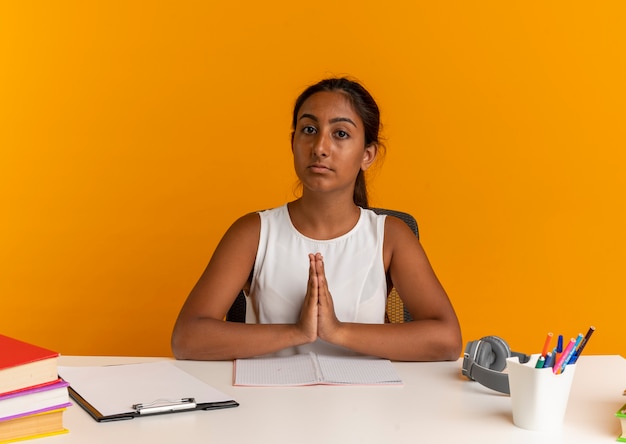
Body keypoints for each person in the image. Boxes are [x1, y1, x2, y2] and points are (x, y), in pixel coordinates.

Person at [171, 77, 462, 361]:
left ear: (367, 155)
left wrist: (337, 332)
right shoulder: (254, 232)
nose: (320, 147)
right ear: (293, 142)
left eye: (341, 134)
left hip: (365, 404)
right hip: (269, 404)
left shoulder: (391, 236)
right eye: (309, 129)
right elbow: (187, 339)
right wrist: (297, 332)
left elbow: (447, 341)